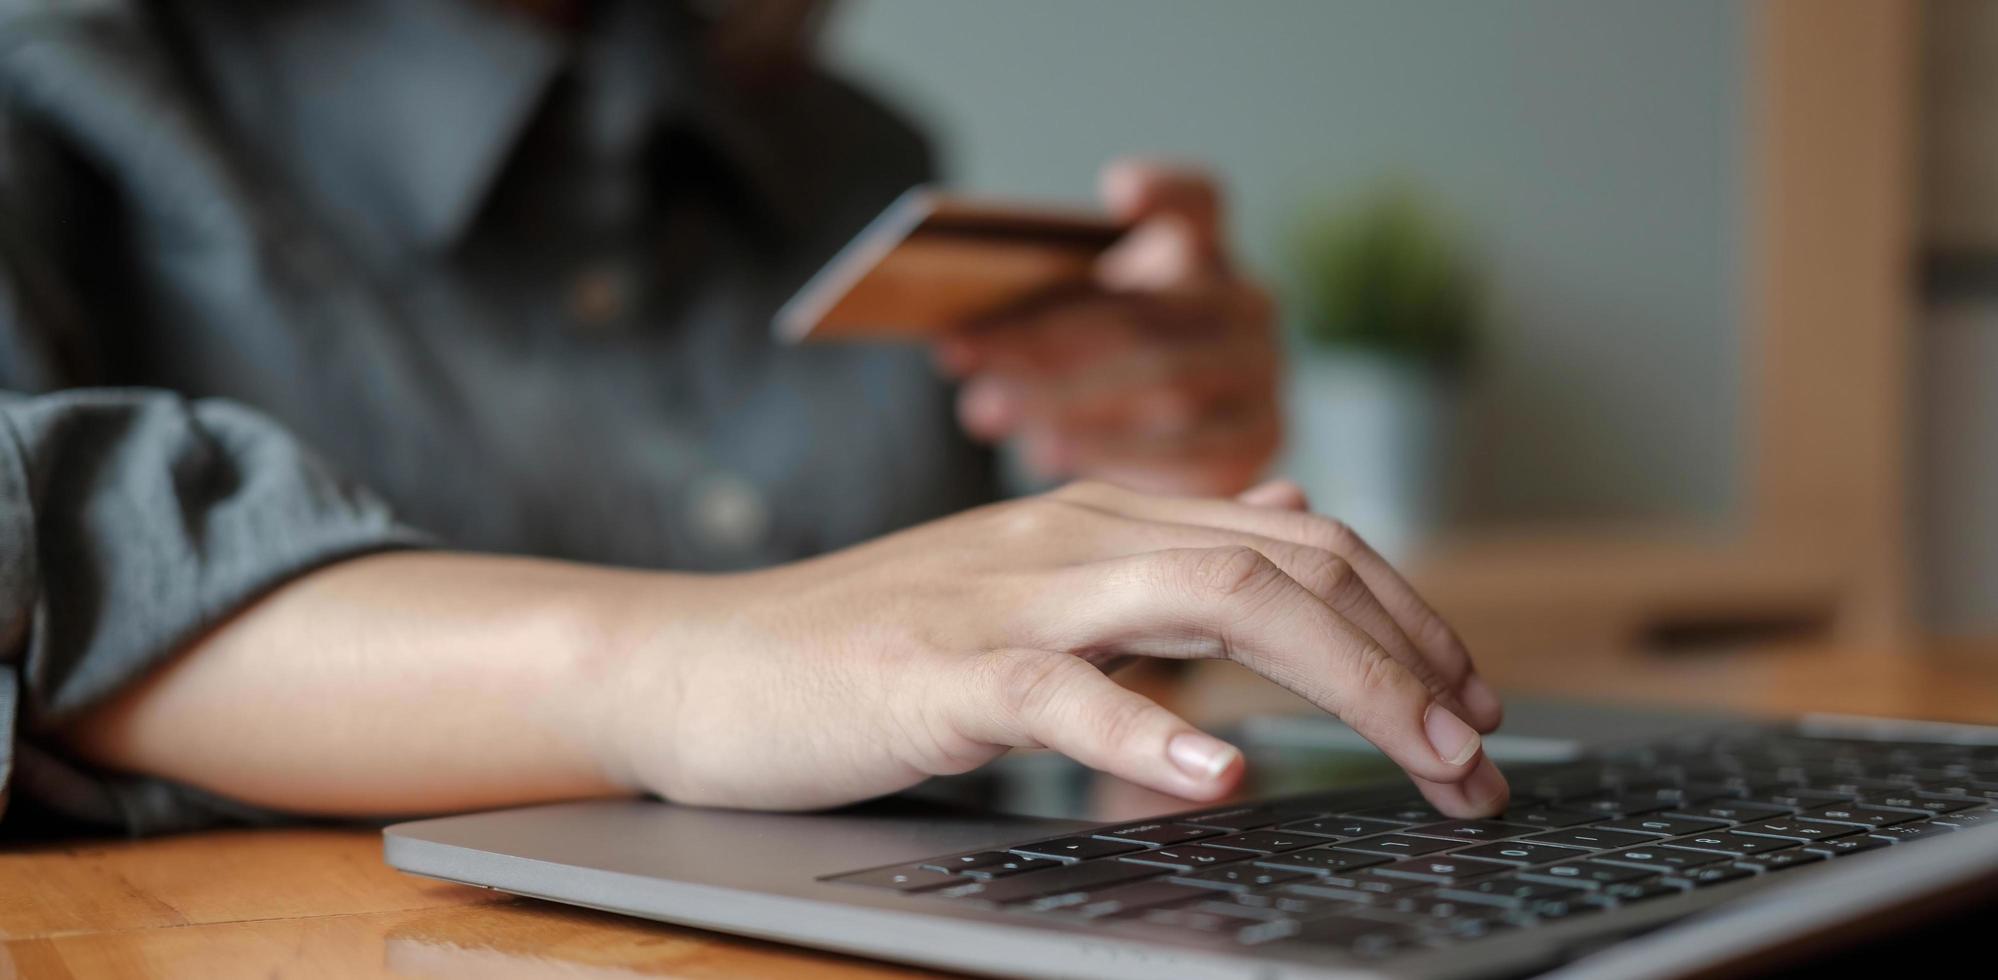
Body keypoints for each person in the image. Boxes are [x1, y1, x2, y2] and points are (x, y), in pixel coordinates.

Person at [0, 0, 1506, 836]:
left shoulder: (855, 153)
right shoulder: (54, 89)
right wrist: (675, 657)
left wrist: (1146, 503)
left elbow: (949, 715)